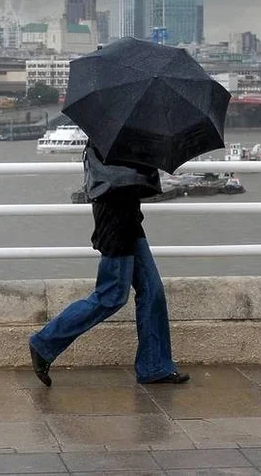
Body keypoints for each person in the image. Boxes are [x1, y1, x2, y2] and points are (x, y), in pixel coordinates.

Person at [28, 140, 190, 387]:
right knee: (111, 294)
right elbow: (124, 180)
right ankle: (45, 342)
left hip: (128, 219)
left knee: (152, 291)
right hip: (115, 221)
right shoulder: (113, 139)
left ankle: (154, 366)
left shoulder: (122, 133)